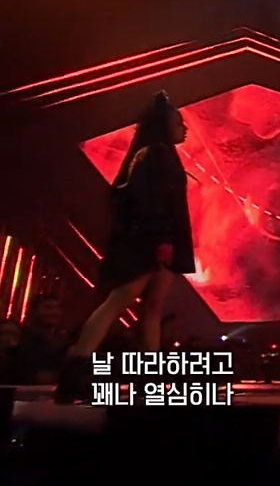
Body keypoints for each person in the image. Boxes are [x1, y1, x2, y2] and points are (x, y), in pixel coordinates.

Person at [56, 92, 194, 403]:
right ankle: (76, 366)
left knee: (151, 308)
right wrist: (162, 240)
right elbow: (150, 203)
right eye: (178, 122)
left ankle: (147, 376)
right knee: (121, 300)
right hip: (149, 242)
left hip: (159, 240)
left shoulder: (158, 154)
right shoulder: (153, 156)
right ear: (163, 125)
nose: (184, 128)